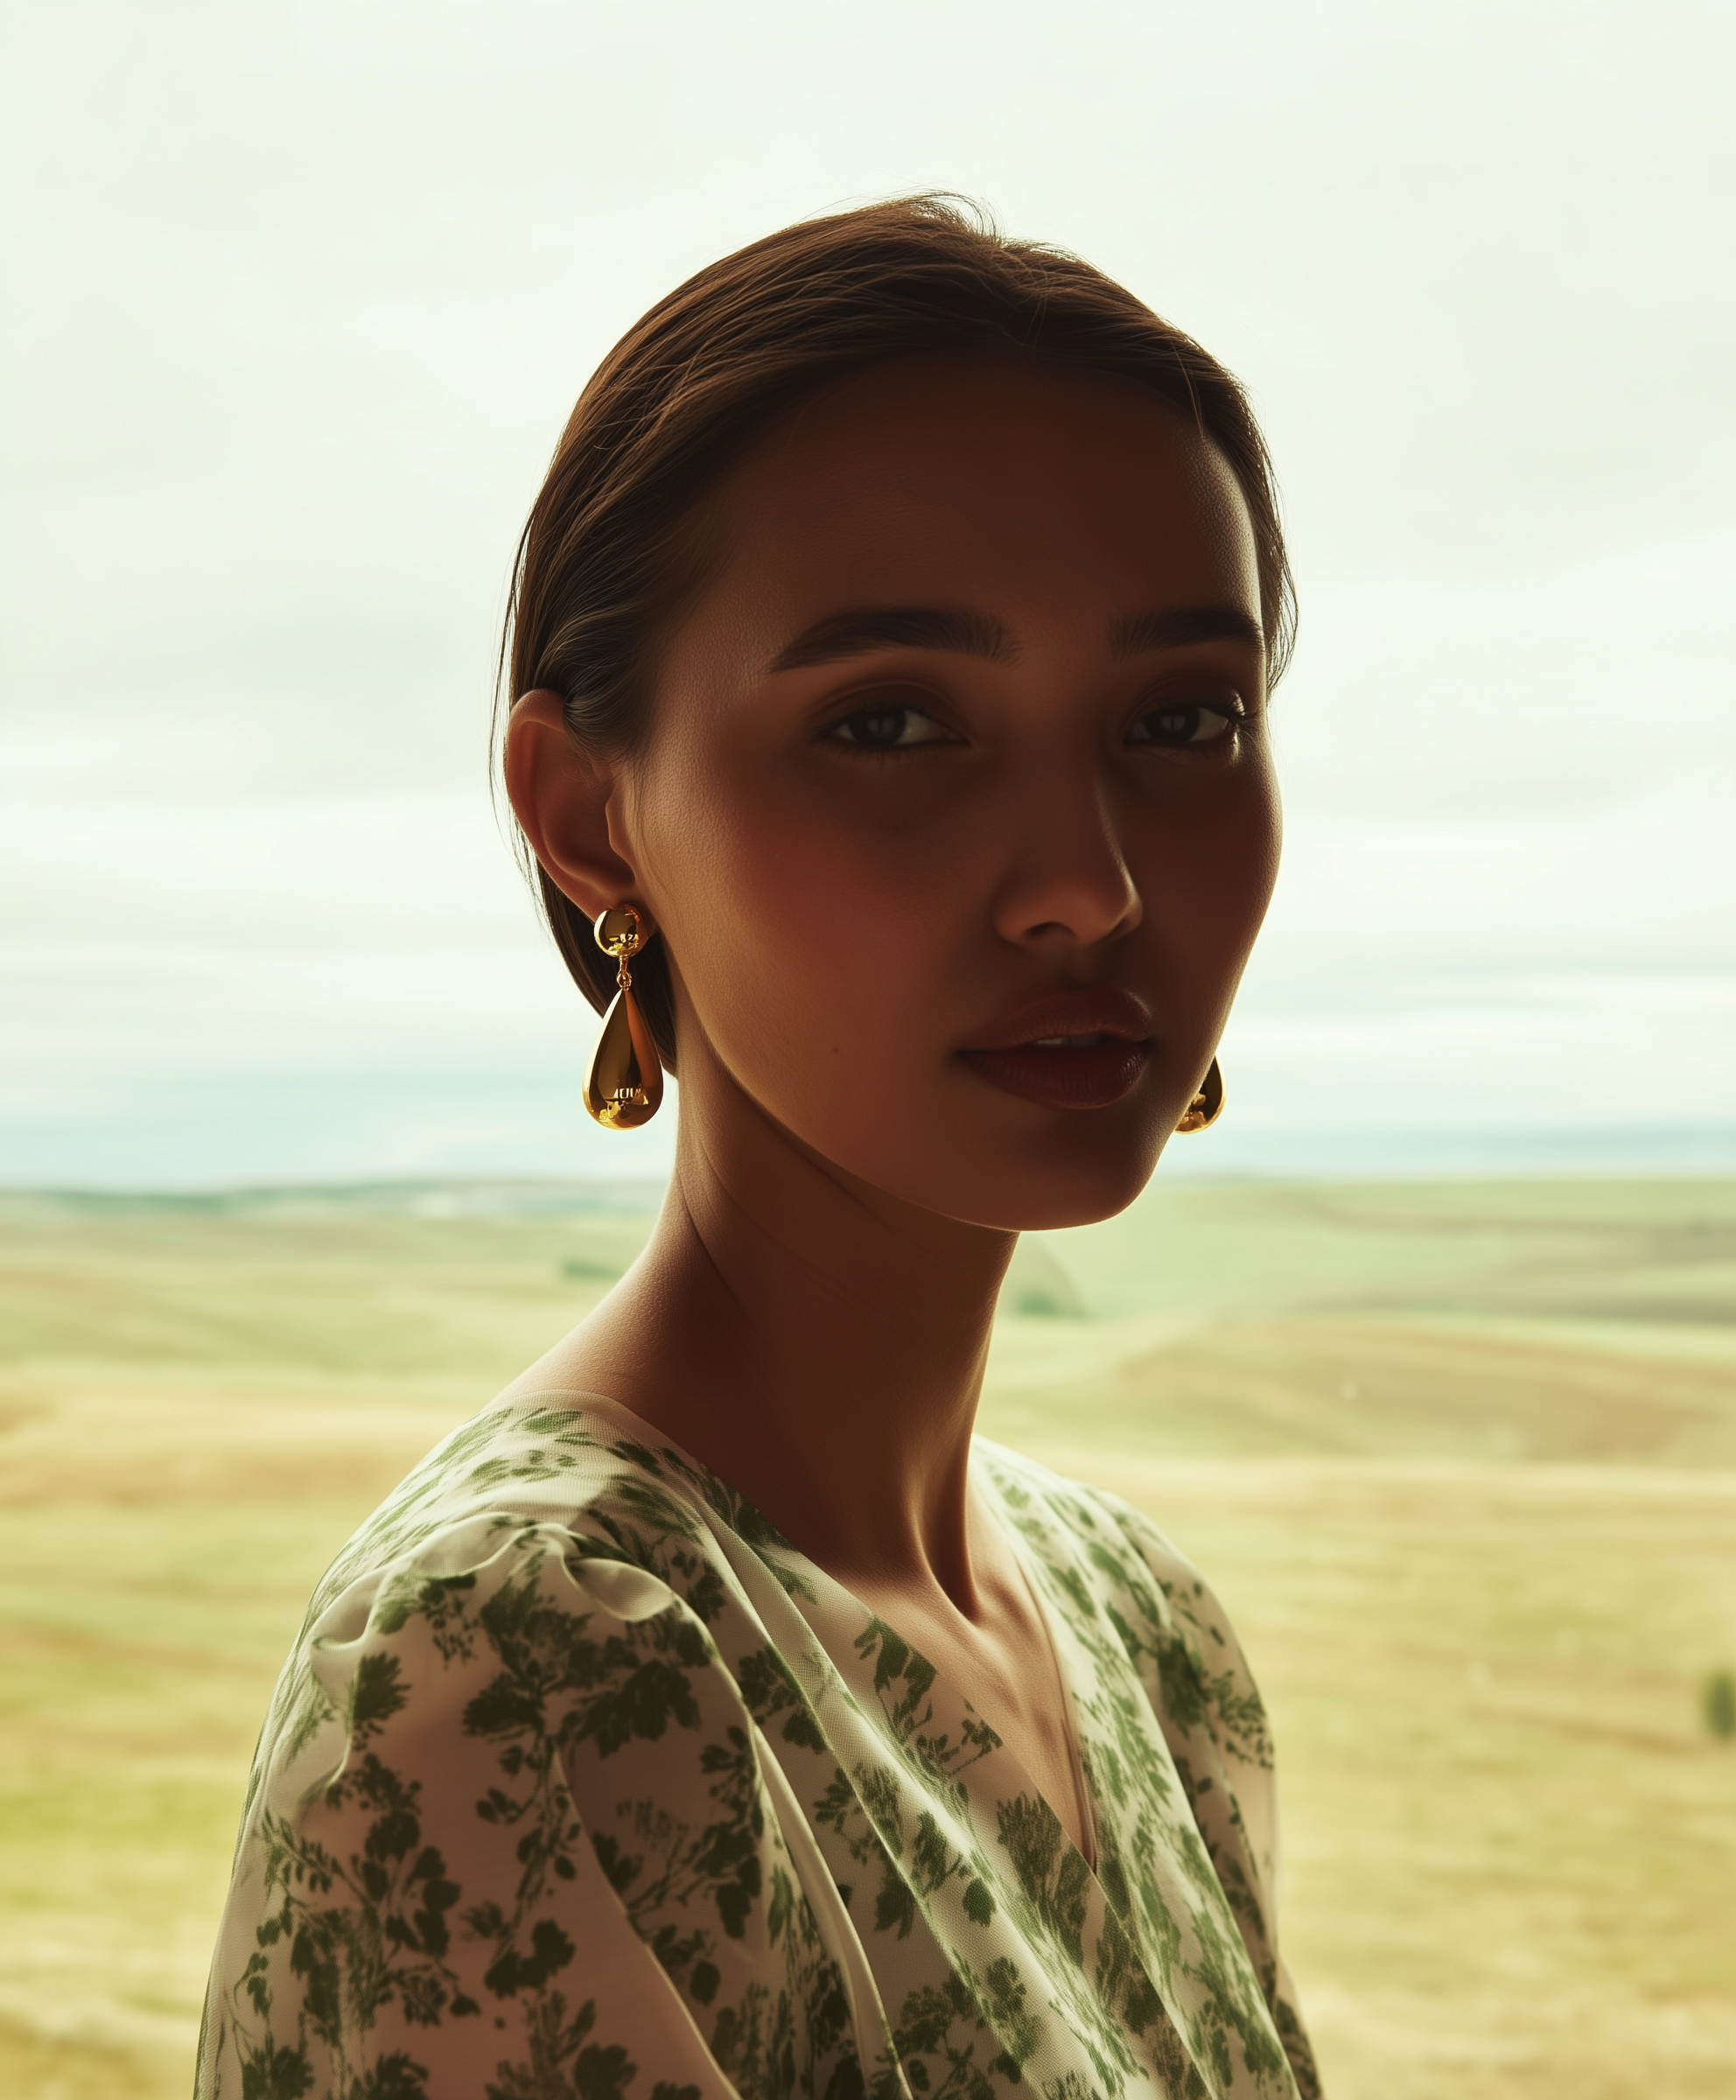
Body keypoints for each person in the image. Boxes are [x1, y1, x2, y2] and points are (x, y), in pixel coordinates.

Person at [195, 197, 1320, 2100]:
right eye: (891, 723)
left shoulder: (1143, 1626)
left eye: (1179, 717)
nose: (1087, 882)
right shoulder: (514, 1673)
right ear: (589, 814)